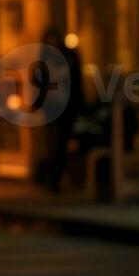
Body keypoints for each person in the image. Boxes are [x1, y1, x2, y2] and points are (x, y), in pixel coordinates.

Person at [41, 26, 86, 193]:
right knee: (55, 144)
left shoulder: (64, 57)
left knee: (59, 144)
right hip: (55, 108)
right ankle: (54, 179)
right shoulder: (47, 57)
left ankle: (58, 178)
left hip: (65, 107)